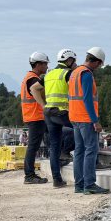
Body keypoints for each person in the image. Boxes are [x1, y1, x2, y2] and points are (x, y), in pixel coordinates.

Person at [68, 47, 109, 195]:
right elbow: (87, 99)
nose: (99, 67)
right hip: (85, 118)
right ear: (96, 62)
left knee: (79, 151)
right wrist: (95, 121)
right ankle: (90, 184)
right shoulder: (86, 74)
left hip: (74, 117)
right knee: (91, 150)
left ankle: (79, 185)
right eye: (99, 64)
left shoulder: (75, 72)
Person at [43, 48, 77, 188]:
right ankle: (94, 163)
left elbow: (36, 88)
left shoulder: (49, 73)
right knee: (86, 129)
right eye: (73, 60)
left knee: (54, 146)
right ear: (69, 60)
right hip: (62, 112)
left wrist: (43, 104)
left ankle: (57, 180)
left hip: (48, 112)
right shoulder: (68, 73)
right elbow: (77, 92)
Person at [21, 52, 50, 184]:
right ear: (38, 64)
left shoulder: (29, 77)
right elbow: (37, 92)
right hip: (35, 116)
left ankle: (30, 174)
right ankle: (29, 175)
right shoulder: (33, 79)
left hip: (33, 116)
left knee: (38, 144)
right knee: (33, 146)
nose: (47, 66)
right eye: (45, 64)